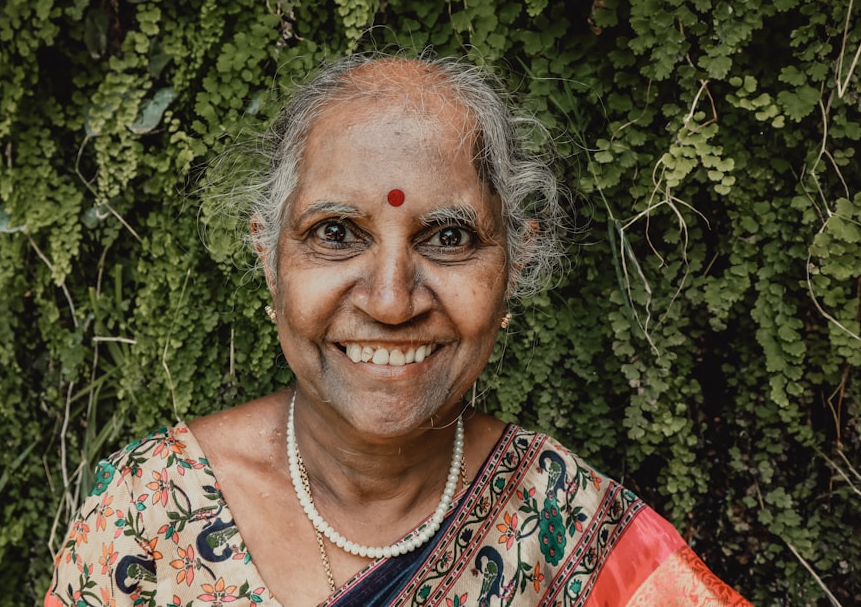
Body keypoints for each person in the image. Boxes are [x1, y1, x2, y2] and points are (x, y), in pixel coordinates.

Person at [45, 53, 751, 606]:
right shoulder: (150, 512)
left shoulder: (565, 525)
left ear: (515, 262)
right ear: (269, 258)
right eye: (336, 232)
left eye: (447, 235)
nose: (390, 300)